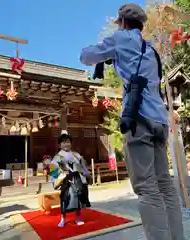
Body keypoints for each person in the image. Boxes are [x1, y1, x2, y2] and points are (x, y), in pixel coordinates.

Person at [80, 3, 184, 240]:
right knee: (165, 185)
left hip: (139, 118)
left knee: (146, 188)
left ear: (123, 22)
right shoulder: (151, 49)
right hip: (159, 119)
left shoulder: (120, 39)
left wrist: (105, 52)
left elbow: (85, 56)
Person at [48, 132, 91, 228]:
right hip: (65, 181)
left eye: (68, 142)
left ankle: (78, 217)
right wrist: (61, 176)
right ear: (59, 145)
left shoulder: (76, 155)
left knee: (79, 198)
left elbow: (83, 167)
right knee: (65, 199)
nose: (66, 144)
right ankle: (63, 218)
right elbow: (54, 173)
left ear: (71, 143)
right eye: (63, 142)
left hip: (77, 178)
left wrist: (87, 175)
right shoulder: (57, 157)